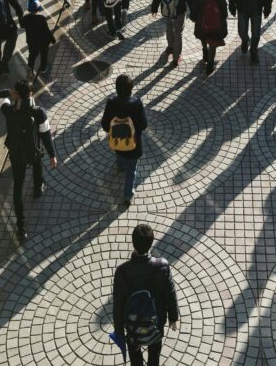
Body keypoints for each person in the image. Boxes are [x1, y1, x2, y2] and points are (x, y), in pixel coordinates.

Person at [0, 79, 57, 240]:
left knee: (18, 187)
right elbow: (45, 136)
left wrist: (11, 92)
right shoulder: (38, 112)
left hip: (17, 154)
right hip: (34, 151)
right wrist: (52, 155)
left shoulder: (8, 110)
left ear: (17, 94)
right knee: (38, 165)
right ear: (30, 94)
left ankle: (21, 226)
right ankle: (38, 187)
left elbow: (0, 95)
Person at [111, 223, 179, 362]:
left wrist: (119, 332)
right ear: (151, 242)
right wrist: (173, 317)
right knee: (154, 355)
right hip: (156, 322)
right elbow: (170, 294)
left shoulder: (122, 271)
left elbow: (118, 304)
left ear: (133, 243)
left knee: (135, 359)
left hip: (133, 325)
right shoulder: (162, 266)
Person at [101, 75, 148, 208]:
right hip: (133, 145)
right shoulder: (137, 103)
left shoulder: (111, 102)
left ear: (116, 88)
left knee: (120, 153)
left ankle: (120, 165)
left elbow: (105, 125)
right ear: (131, 89)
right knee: (131, 171)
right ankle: (127, 196)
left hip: (117, 142)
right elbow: (144, 124)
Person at [192, 0, 228, 75]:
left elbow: (195, 6)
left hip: (202, 21)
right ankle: (210, 64)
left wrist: (193, 17)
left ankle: (204, 52)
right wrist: (223, 18)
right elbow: (223, 6)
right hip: (216, 23)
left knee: (204, 37)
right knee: (213, 42)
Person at [21, 0, 55, 78]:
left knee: (32, 55)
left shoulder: (25, 18)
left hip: (32, 41)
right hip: (43, 41)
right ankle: (43, 68)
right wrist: (52, 38)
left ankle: (30, 70)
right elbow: (46, 31)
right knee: (44, 55)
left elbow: (22, 25)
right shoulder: (41, 18)